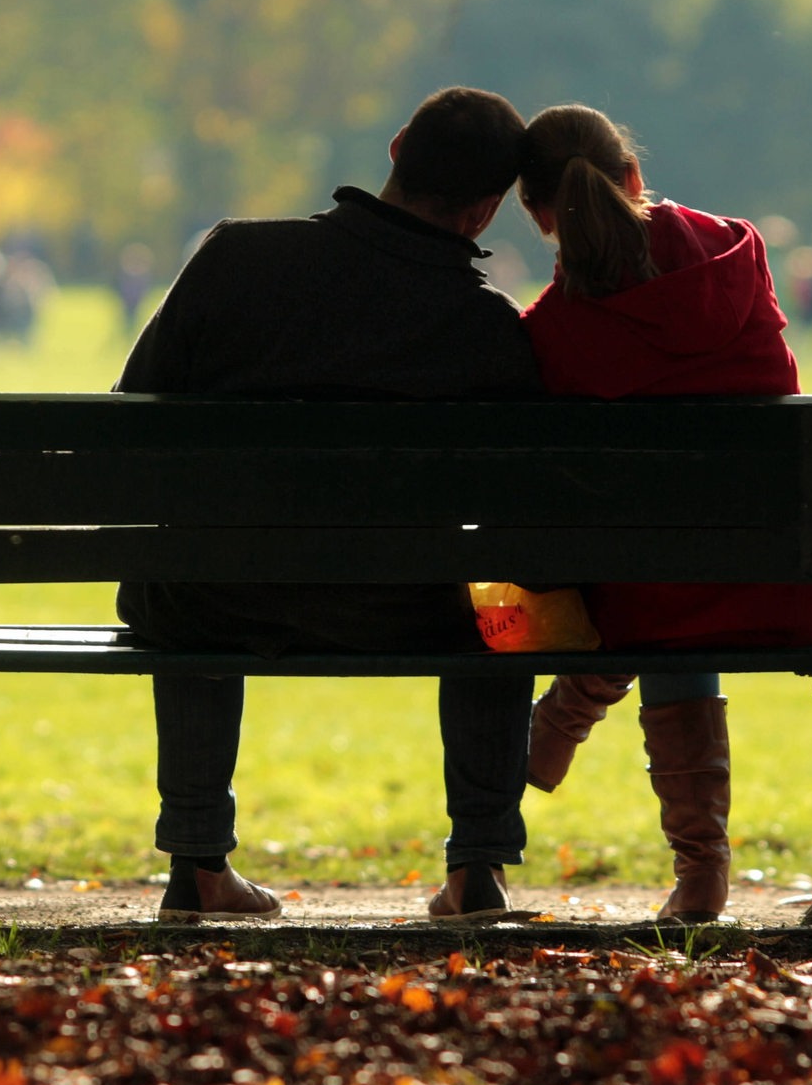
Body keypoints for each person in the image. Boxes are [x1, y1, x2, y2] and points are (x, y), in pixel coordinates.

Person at [114, 87, 544, 923]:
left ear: (393, 150)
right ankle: (478, 869)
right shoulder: (483, 324)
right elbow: (520, 507)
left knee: (193, 578)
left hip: (216, 597)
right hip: (410, 609)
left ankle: (198, 864)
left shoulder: (235, 258)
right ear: (485, 211)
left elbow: (135, 415)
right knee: (507, 605)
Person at [514, 103, 812, 923]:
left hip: (648, 600)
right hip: (783, 585)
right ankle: (696, 868)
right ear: (634, 177)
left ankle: (575, 712)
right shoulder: (738, 252)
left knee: (645, 571)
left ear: (539, 216)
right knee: (669, 566)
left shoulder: (555, 332)